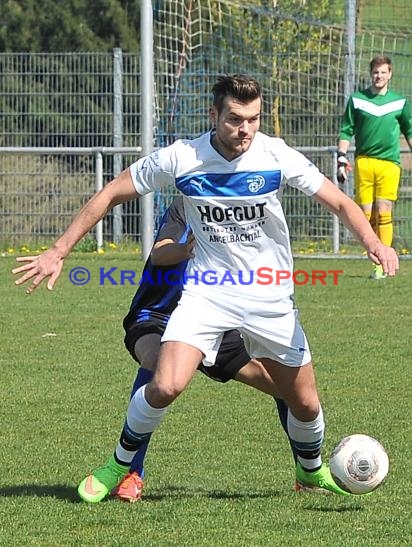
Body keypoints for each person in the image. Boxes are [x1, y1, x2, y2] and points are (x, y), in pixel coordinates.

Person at [13, 74, 398, 504]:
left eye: (252, 119)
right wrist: (58, 250)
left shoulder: (276, 155)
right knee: (166, 385)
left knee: (306, 405)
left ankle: (309, 472)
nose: (245, 129)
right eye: (235, 119)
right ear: (214, 115)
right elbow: (111, 193)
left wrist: (374, 243)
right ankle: (119, 466)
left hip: (270, 297)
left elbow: (342, 202)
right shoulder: (182, 158)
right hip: (208, 293)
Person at [115, 195, 297, 502]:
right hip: (159, 317)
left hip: (215, 323)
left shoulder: (251, 216)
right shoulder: (186, 204)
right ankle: (130, 473)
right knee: (159, 367)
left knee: (288, 389)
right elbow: (159, 255)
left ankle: (306, 472)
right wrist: (188, 249)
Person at [337, 54, 412, 279]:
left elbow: (409, 131)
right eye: (375, 72)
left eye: (383, 72)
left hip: (389, 164)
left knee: (384, 211)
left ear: (390, 74)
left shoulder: (400, 102)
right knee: (366, 214)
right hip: (364, 162)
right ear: (371, 74)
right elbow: (346, 130)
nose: (379, 76)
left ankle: (382, 264)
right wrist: (341, 157)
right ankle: (374, 252)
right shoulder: (357, 100)